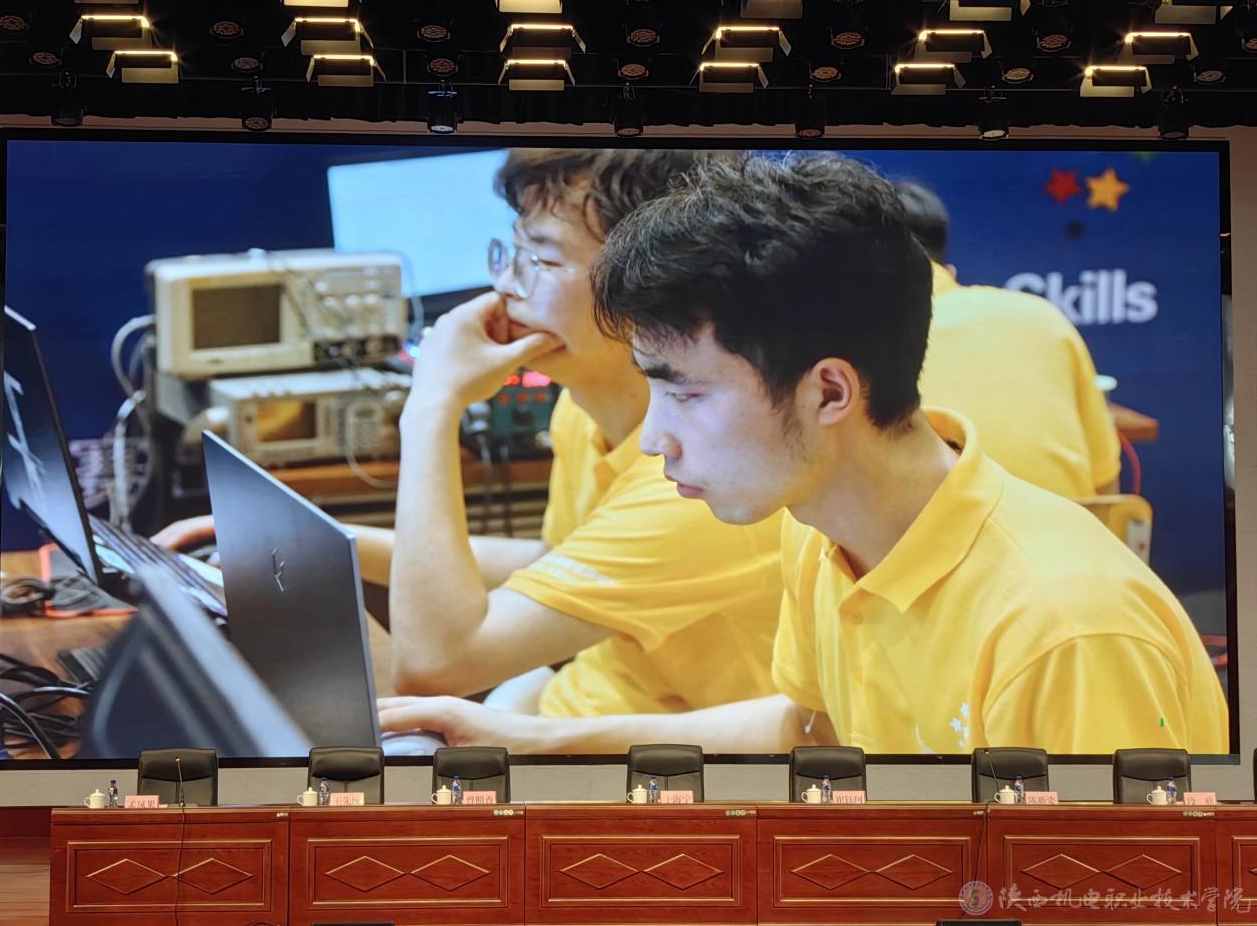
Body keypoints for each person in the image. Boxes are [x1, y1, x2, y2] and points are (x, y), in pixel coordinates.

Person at [379, 151, 1227, 755]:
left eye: (687, 394)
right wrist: (530, 739)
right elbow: (809, 727)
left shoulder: (1065, 633)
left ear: (829, 393)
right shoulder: (818, 527)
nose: (658, 438)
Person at [158, 149, 785, 721]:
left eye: (542, 260)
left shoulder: (697, 475)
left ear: (651, 283)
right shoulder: (580, 409)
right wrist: (325, 544)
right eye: (513, 252)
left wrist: (432, 404)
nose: (507, 286)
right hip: (570, 708)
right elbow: (561, 560)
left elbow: (434, 666)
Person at [896, 180, 1121, 499]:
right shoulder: (1045, 317)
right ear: (950, 271)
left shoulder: (852, 342)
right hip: (1068, 528)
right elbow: (1106, 488)